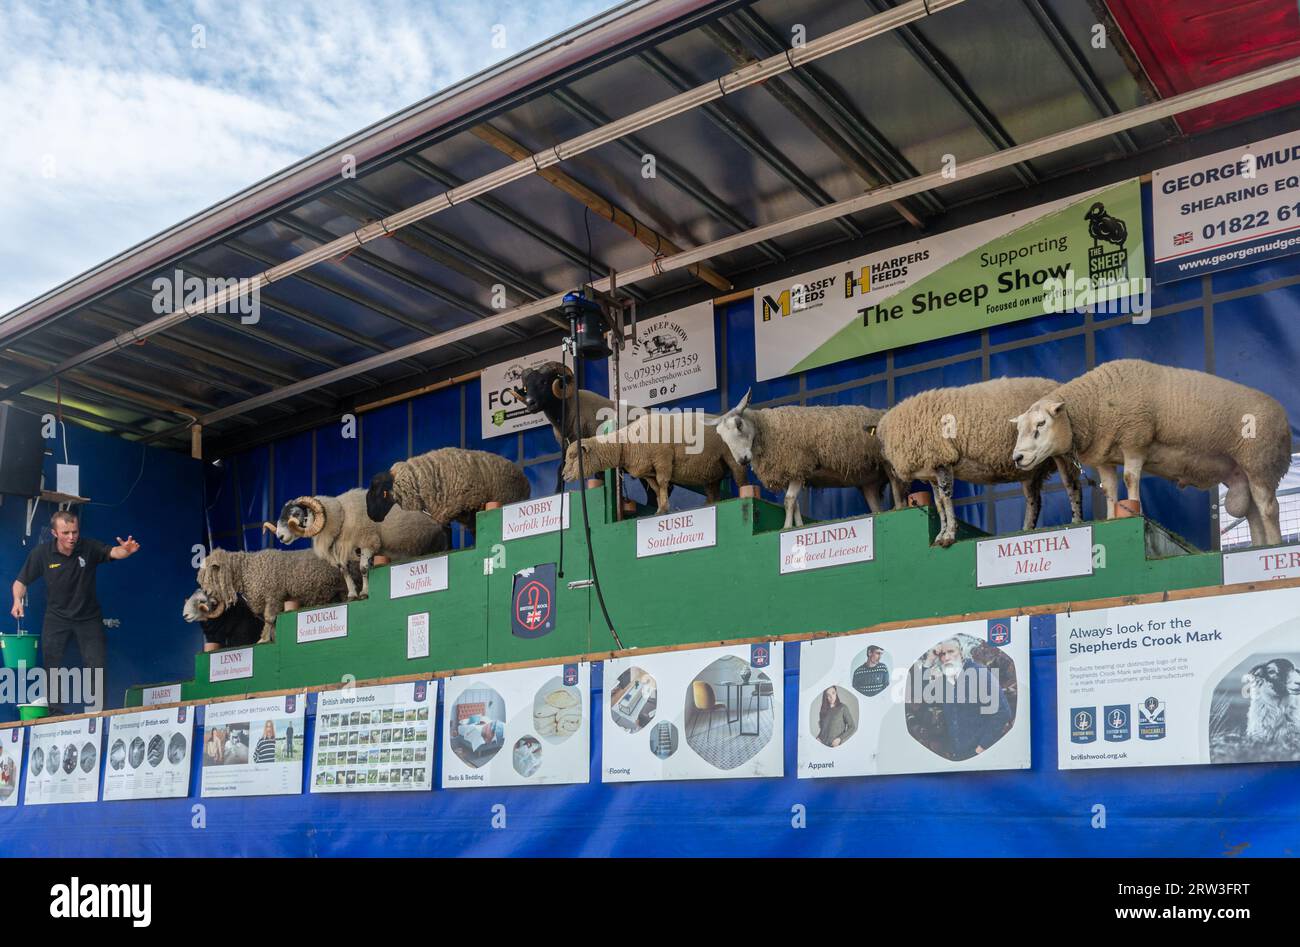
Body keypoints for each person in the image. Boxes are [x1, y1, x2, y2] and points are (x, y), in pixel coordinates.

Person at [10, 511, 140, 712]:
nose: (71, 537)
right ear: (54, 533)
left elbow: (113, 552)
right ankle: (55, 714)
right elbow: (20, 581)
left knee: (96, 664)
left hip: (88, 618)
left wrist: (126, 551)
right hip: (56, 618)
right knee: (52, 665)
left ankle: (97, 712)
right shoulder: (42, 553)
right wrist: (17, 601)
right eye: (66, 533)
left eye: (75, 532)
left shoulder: (88, 547)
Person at [930, 638, 1011, 760]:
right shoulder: (944, 681)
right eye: (942, 654)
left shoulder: (979, 673)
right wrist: (930, 658)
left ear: (961, 653)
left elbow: (1003, 712)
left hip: (982, 757)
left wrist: (981, 748)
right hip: (957, 758)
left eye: (951, 651)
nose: (946, 658)